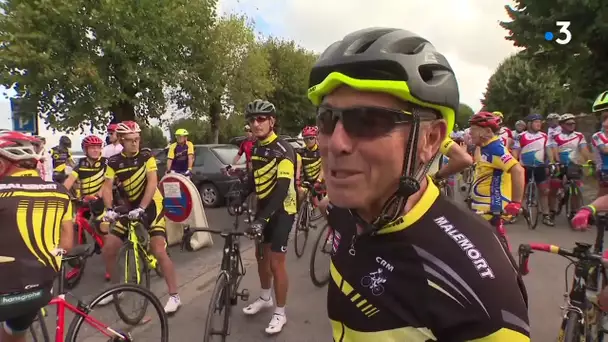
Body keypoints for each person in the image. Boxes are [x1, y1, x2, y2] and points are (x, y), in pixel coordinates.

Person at [308, 28, 529, 341]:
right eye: (327, 119)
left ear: (430, 139)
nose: (336, 144)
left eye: (368, 121)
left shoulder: (482, 291)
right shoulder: (348, 208)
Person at [99, 121, 181, 314]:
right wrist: (109, 208)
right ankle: (116, 289)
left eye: (137, 139)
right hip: (130, 207)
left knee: (158, 250)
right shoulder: (113, 162)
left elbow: (152, 182)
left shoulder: (146, 156)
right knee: (109, 248)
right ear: (120, 140)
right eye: (130, 140)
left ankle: (174, 296)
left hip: (152, 205)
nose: (135, 144)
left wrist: (143, 207)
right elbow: (107, 186)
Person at [0, 131, 73, 342]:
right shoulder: (60, 192)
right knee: (14, 332)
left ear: (4, 162)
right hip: (40, 290)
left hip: (6, 294)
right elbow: (66, 244)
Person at [241, 99, 297, 335]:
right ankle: (265, 298)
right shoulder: (255, 148)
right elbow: (254, 179)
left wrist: (262, 220)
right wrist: (239, 194)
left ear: (272, 121)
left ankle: (280, 312)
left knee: (276, 262)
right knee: (260, 256)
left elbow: (282, 189)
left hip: (283, 209)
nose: (256, 123)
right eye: (252, 119)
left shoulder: (284, 150)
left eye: (261, 119)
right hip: (263, 208)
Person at [468, 112, 525, 223]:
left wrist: (516, 202)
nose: (470, 132)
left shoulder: (495, 149)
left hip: (491, 210)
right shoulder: (486, 147)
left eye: (473, 129)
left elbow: (518, 170)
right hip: (482, 208)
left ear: (488, 131)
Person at [548, 114, 591, 222]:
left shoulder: (579, 135)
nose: (572, 125)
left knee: (575, 187)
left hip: (574, 164)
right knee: (554, 186)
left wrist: (588, 160)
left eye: (573, 123)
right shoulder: (555, 136)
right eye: (569, 124)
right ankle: (551, 211)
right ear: (562, 125)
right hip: (561, 163)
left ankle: (574, 211)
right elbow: (554, 150)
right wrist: (557, 162)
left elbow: (584, 149)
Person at [513, 114, 553, 226]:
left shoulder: (544, 136)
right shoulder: (521, 136)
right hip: (525, 167)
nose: (539, 124)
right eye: (536, 122)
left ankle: (546, 215)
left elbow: (548, 150)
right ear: (529, 124)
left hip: (540, 167)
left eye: (540, 122)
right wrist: (515, 162)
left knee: (544, 191)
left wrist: (551, 162)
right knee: (521, 192)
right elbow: (516, 150)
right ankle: (515, 213)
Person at [296, 125, 323, 202]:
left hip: (320, 180)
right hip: (306, 180)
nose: (308, 141)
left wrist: (318, 181)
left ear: (315, 138)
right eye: (306, 139)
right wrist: (297, 181)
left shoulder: (321, 151)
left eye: (311, 138)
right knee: (299, 193)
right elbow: (298, 167)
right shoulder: (300, 152)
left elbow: (323, 168)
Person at [591, 93, 608, 198]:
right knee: (603, 194)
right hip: (603, 170)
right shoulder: (597, 136)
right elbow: (605, 150)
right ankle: (595, 212)